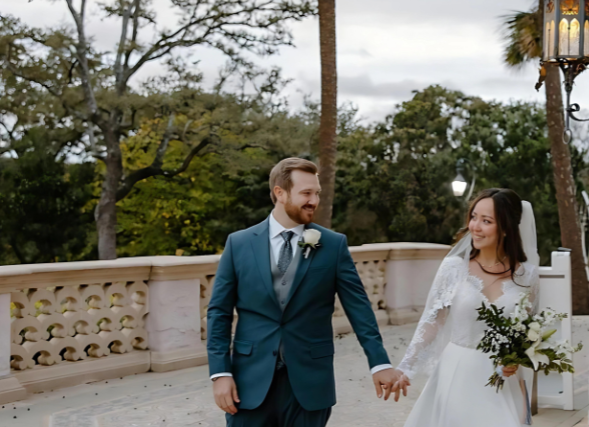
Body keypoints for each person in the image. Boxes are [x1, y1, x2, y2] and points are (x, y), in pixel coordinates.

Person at [206, 157, 402, 427]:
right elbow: (219, 312)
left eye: (317, 193)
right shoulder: (238, 244)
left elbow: (359, 309)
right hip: (248, 384)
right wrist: (219, 373)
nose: (314, 200)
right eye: (306, 193)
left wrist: (379, 363)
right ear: (279, 193)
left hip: (310, 385)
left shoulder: (333, 245)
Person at [394, 188, 541, 427]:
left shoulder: (528, 276)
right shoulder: (453, 267)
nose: (475, 227)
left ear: (505, 228)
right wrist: (405, 368)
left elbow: (529, 333)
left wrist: (518, 358)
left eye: (486, 221)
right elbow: (432, 321)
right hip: (458, 373)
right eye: (474, 217)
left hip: (504, 381)